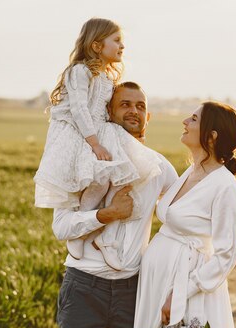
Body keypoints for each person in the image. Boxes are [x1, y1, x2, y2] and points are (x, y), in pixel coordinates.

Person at [49, 81, 178, 328]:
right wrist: (107, 214)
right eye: (125, 104)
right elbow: (61, 226)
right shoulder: (80, 160)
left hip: (133, 290)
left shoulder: (162, 169)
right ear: (108, 112)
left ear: (148, 116)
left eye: (139, 106)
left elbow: (180, 226)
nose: (133, 111)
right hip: (82, 286)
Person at [128, 101, 236, 328]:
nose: (184, 121)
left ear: (210, 135)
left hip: (187, 287)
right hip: (159, 283)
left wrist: (181, 292)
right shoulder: (189, 173)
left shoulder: (224, 186)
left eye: (192, 119)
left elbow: (225, 256)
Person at [33, 17, 161, 270]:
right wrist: (95, 144)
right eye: (116, 41)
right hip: (79, 135)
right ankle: (80, 232)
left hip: (100, 133)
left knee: (113, 177)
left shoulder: (106, 78)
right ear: (96, 45)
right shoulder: (80, 71)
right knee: (96, 180)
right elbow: (80, 109)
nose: (122, 46)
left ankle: (104, 239)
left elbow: (109, 113)